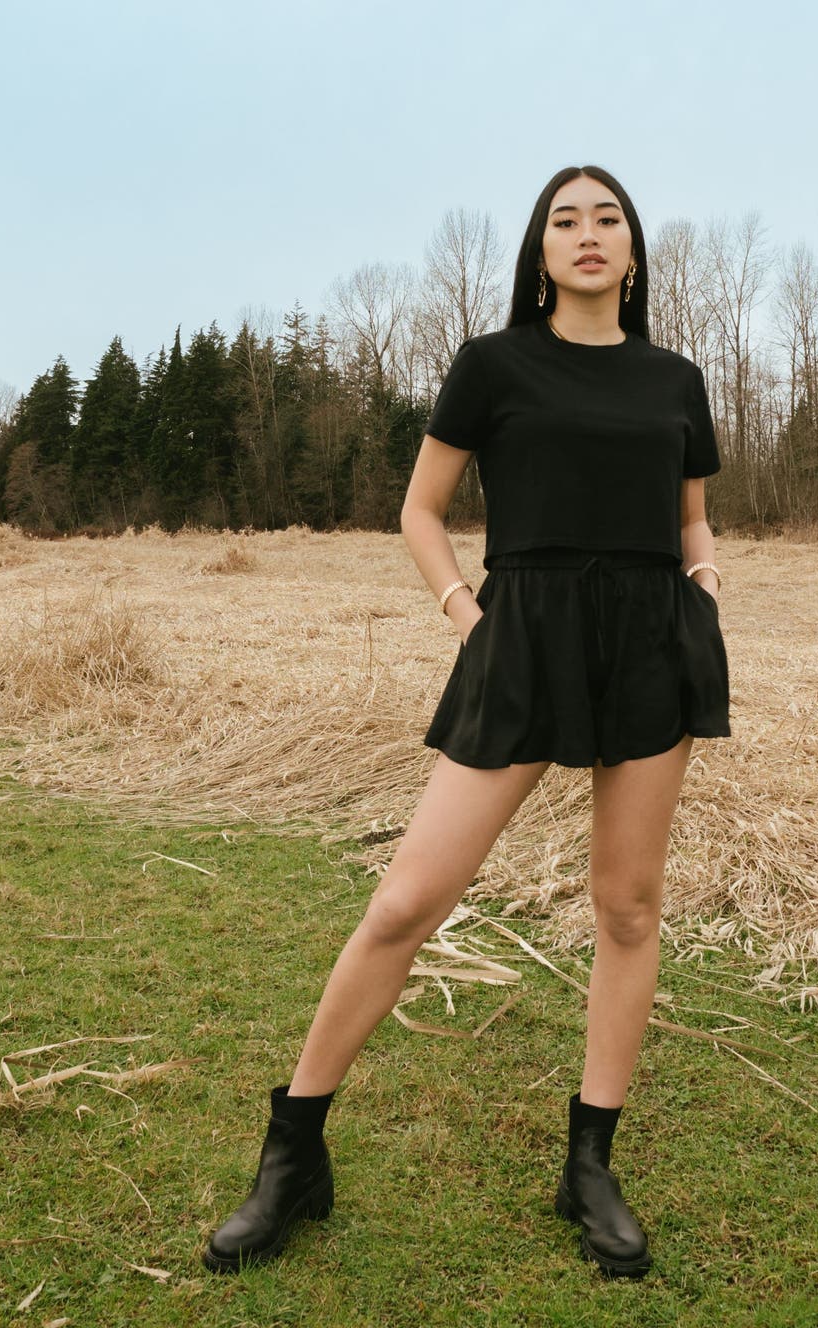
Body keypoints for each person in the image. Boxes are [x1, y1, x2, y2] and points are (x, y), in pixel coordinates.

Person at [202, 164, 731, 1281]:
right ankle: (292, 1152)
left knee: (627, 907)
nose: (587, 235)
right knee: (405, 901)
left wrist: (704, 590)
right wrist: (463, 612)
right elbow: (419, 509)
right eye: (563, 221)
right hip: (522, 637)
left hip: (648, 646)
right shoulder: (492, 365)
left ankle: (589, 1165)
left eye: (608, 220)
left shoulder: (674, 379)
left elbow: (692, 517)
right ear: (538, 252)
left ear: (633, 253)